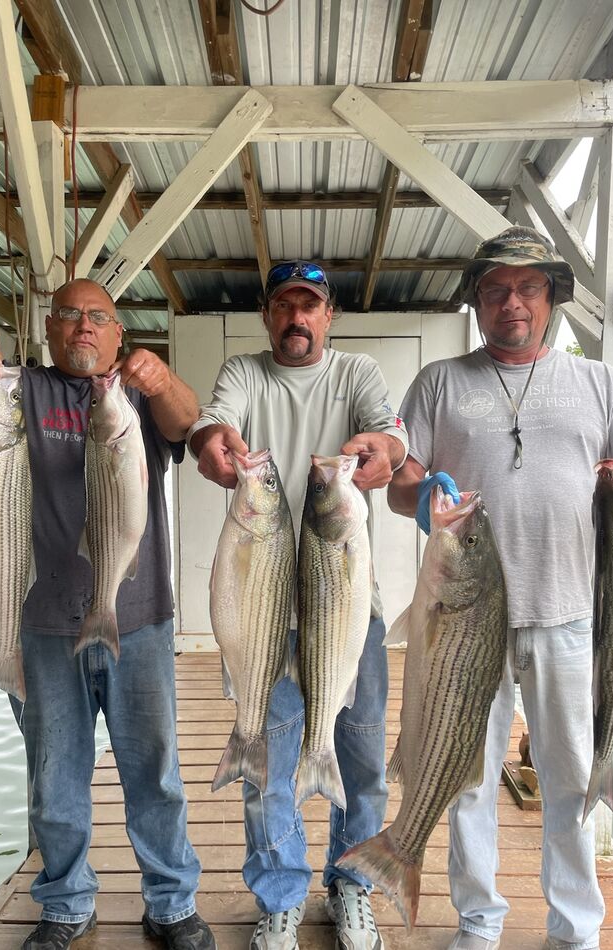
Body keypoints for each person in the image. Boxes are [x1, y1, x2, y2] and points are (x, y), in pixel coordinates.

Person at [388, 226, 613, 950]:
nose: (512, 302)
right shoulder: (439, 382)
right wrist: (422, 498)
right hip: (463, 619)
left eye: (527, 287)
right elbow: (400, 478)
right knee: (466, 778)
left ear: (552, 299)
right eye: (496, 288)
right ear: (476, 301)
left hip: (570, 614)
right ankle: (478, 922)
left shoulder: (598, 381)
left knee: (571, 780)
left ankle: (575, 930)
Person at [0, 278, 216, 950]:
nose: (83, 328)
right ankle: (66, 904)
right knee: (53, 774)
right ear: (50, 327)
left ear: (118, 333)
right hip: (36, 624)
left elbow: (189, 422)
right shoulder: (17, 392)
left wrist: (162, 381)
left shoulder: (136, 397)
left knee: (153, 769)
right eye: (69, 315)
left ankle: (171, 903)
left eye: (98, 317)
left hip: (140, 616)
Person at [188, 260, 408, 950]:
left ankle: (353, 888)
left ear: (328, 315)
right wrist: (209, 443)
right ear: (268, 316)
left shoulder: (357, 373)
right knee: (266, 762)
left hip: (348, 612)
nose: (296, 318)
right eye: (284, 305)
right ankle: (280, 895)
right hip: (264, 615)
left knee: (362, 758)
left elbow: (388, 433)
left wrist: (386, 449)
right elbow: (212, 424)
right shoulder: (245, 372)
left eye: (309, 306)